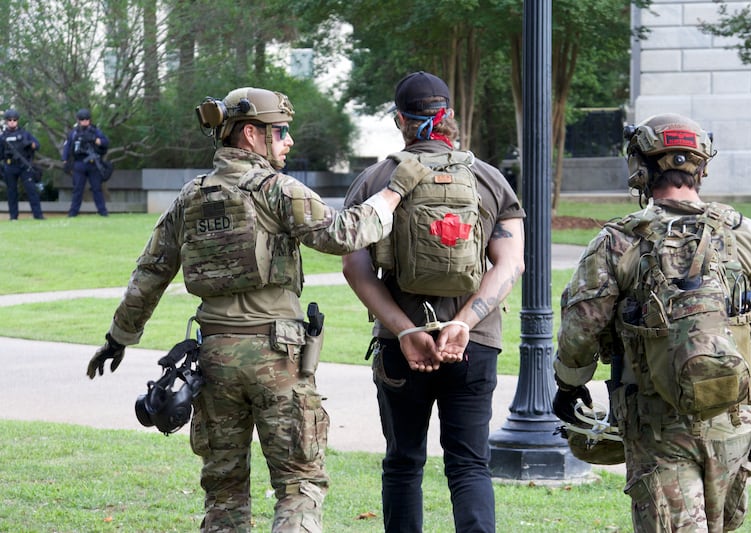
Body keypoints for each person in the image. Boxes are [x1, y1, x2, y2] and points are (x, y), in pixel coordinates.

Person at [85, 86, 426, 532]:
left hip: (214, 362)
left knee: (224, 494)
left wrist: (118, 338)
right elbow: (342, 234)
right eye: (280, 131)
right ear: (251, 134)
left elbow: (150, 273)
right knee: (299, 484)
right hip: (277, 358)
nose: (288, 141)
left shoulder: (191, 197)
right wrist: (396, 189)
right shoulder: (277, 189)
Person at [553, 113, 751, 532]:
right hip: (734, 424)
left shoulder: (619, 241)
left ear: (640, 167)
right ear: (702, 167)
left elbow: (582, 327)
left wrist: (569, 385)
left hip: (656, 427)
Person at [341, 71, 526, 532]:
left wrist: (405, 331)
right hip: (473, 343)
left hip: (402, 347)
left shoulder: (377, 179)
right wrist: (463, 323)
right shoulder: (487, 178)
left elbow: (355, 267)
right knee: (469, 465)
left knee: (403, 462)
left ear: (400, 120)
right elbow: (510, 264)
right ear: (450, 118)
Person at [61, 108, 110, 216]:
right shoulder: (74, 133)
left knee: (97, 188)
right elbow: (67, 146)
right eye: (82, 119)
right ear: (78, 120)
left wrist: (96, 140)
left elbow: (106, 142)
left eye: (87, 119)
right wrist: (64, 160)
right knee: (77, 189)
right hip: (79, 163)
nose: (85, 121)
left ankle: (103, 212)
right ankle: (73, 213)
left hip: (93, 164)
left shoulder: (95, 131)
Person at [1, 109, 44, 220]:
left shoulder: (25, 134)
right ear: (6, 121)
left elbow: (37, 145)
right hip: (10, 166)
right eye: (9, 120)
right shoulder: (3, 137)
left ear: (17, 121)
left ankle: (38, 215)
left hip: (24, 166)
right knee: (11, 192)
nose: (12, 122)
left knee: (31, 190)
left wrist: (30, 144)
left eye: (14, 120)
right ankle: (13, 217)